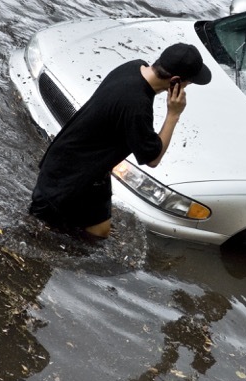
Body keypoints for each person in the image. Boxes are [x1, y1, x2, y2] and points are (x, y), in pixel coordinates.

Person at [28, 42, 211, 238]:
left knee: (99, 232)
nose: (186, 88)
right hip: (67, 179)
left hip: (88, 170)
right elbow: (153, 158)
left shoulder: (132, 67)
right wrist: (173, 114)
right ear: (175, 81)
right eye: (188, 83)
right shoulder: (137, 105)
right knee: (38, 233)